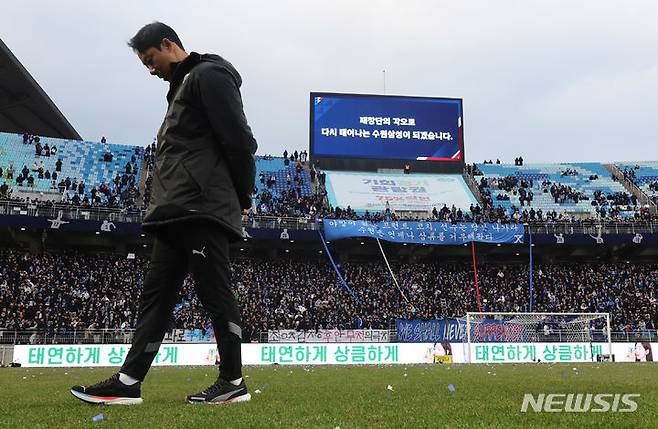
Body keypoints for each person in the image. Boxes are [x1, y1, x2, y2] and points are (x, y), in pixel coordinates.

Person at [70, 22, 257, 406]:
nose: (151, 70)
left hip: (201, 206)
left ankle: (233, 381)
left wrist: (243, 193)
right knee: (155, 297)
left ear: (168, 45)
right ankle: (128, 381)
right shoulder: (182, 88)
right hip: (174, 211)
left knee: (214, 292)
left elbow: (239, 140)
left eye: (151, 60)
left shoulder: (210, 75)